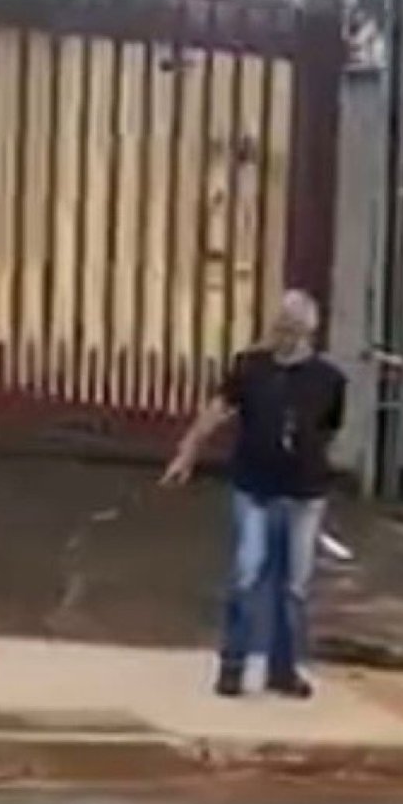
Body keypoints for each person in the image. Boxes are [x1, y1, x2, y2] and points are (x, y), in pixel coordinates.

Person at [162, 291, 346, 701]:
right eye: (282, 326)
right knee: (247, 574)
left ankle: (283, 670)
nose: (287, 336)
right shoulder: (251, 369)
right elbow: (217, 410)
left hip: (305, 493)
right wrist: (187, 452)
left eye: (295, 329)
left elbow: (330, 428)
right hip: (255, 487)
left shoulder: (328, 379)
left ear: (310, 332)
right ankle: (232, 666)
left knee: (293, 586)